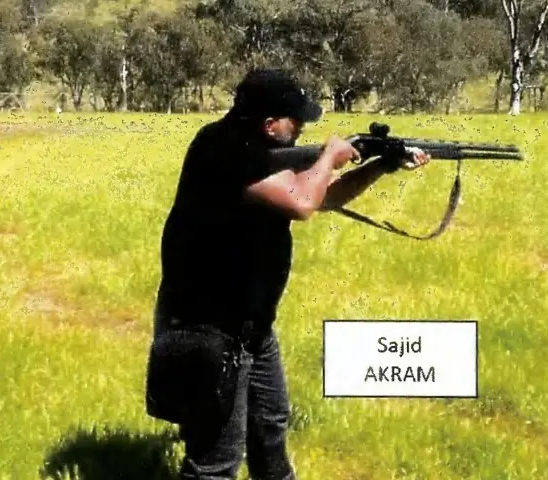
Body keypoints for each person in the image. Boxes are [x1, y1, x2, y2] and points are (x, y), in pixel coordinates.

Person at [144, 68, 430, 480]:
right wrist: (330, 156)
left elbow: (323, 196)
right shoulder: (224, 149)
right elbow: (301, 203)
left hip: (251, 323)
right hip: (209, 325)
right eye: (295, 122)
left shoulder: (258, 148)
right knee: (216, 458)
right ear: (269, 122)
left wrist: (378, 166)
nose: (300, 130)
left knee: (269, 428)